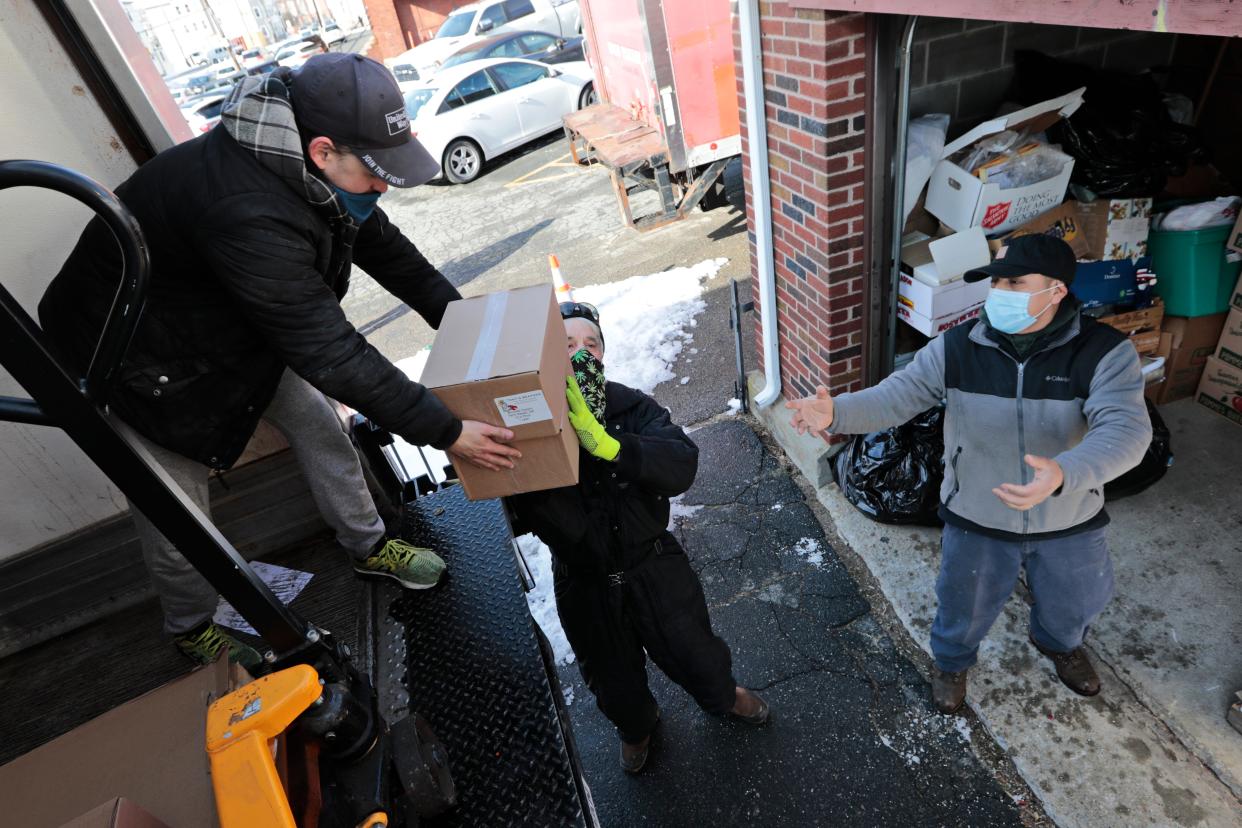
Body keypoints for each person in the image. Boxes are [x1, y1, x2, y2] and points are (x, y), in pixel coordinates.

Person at [38, 54, 519, 669]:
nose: (382, 188)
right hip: (133, 359)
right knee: (175, 512)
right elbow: (327, 348)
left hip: (232, 325)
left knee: (322, 429)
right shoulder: (247, 209)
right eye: (376, 173)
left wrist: (468, 325)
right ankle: (190, 626)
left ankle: (369, 544)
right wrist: (448, 431)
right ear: (322, 151)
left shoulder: (307, 171)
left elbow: (388, 251)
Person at [787, 235, 1151, 714]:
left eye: (1015, 281)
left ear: (1057, 290)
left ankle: (1059, 643)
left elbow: (1126, 430)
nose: (999, 291)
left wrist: (1065, 472)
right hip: (976, 510)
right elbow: (899, 395)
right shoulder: (959, 347)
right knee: (963, 601)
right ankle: (952, 662)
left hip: (1067, 512)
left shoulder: (1105, 352)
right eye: (996, 280)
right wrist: (835, 413)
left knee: (1077, 599)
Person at [507, 301, 770, 775]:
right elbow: (515, 513)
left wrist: (609, 446)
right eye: (567, 346)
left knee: (694, 648)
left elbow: (681, 462)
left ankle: (722, 697)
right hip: (583, 580)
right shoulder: (529, 428)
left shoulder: (631, 406)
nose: (582, 354)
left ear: (604, 355)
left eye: (591, 344)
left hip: (653, 564)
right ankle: (637, 728)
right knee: (612, 679)